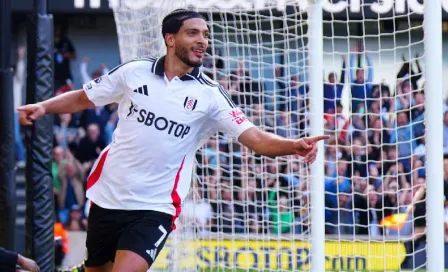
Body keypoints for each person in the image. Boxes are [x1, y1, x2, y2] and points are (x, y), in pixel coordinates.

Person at [17, 9, 329, 272]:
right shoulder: (134, 73)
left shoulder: (210, 96)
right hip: (107, 197)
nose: (202, 41)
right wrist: (44, 107)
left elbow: (256, 139)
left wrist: (293, 146)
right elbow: (84, 98)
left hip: (155, 208)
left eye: (205, 35)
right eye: (193, 33)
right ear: (170, 38)